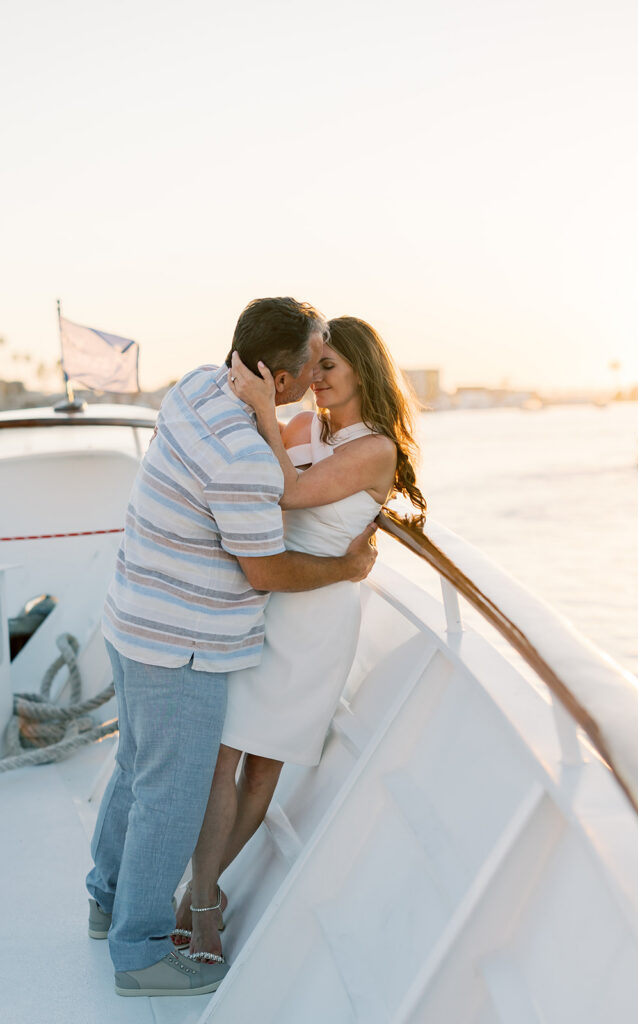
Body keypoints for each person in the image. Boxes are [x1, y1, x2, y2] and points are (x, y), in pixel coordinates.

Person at [85, 298, 378, 998]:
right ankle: (142, 953)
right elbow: (266, 571)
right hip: (180, 643)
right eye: (309, 364)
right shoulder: (247, 459)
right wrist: (344, 568)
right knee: (169, 796)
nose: (315, 377)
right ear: (275, 378)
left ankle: (106, 898)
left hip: (131, 615)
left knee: (132, 768)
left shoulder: (193, 386)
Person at [171, 315, 426, 965]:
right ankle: (200, 899)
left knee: (263, 768)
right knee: (223, 760)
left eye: (328, 367)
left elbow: (286, 490)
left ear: (362, 370)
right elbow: (256, 472)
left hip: (316, 622)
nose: (313, 379)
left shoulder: (374, 450)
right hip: (269, 602)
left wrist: (262, 408)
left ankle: (199, 896)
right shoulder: (310, 428)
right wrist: (260, 408)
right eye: (313, 366)